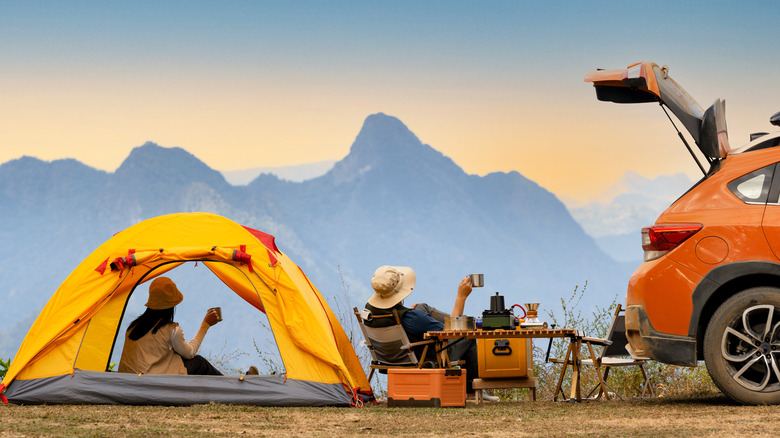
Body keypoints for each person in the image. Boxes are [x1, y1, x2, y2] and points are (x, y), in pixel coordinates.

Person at [363, 265, 498, 401]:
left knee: (422, 307)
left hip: (389, 357)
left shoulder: (370, 312)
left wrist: (410, 315)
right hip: (428, 355)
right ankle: (471, 391)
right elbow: (448, 335)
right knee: (468, 335)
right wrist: (461, 297)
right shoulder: (412, 318)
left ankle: (455, 320)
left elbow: (403, 318)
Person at [118, 276, 223, 376]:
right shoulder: (171, 330)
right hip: (152, 383)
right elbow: (190, 353)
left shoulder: (133, 327)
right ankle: (232, 387)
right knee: (200, 362)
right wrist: (205, 325)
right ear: (172, 306)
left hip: (129, 381)